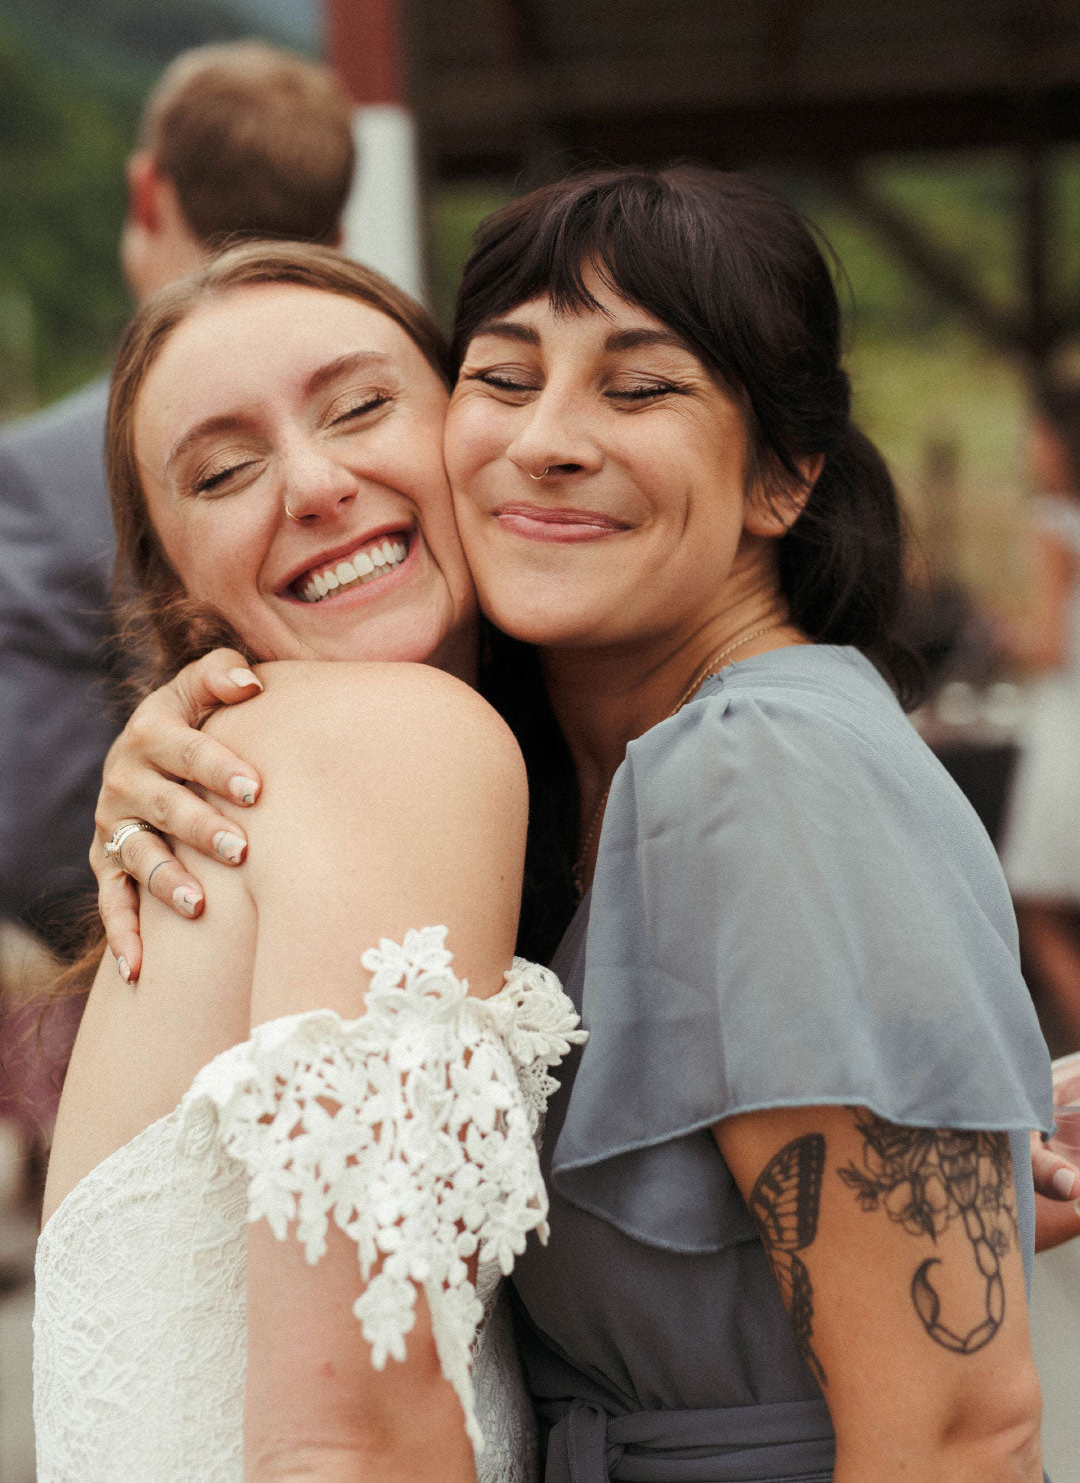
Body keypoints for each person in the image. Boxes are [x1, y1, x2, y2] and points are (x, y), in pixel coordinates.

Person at [93, 170, 1056, 1480]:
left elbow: (959, 1432)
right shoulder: (543, 803)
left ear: (782, 478)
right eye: (503, 378)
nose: (547, 438)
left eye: (641, 385)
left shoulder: (755, 766)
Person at [34, 242, 583, 1482]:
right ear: (178, 595)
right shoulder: (391, 739)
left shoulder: (383, 777)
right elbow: (349, 1443)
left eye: (362, 407)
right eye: (225, 471)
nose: (318, 483)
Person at [0, 40, 355, 943]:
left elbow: (37, 831)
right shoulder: (431, 407)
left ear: (146, 192)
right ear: (340, 230)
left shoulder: (41, 475)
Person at [1000, 384, 1080, 1046]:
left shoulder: (1054, 522)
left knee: (1035, 906)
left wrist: (1006, 635)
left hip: (1066, 730)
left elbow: (1049, 646)